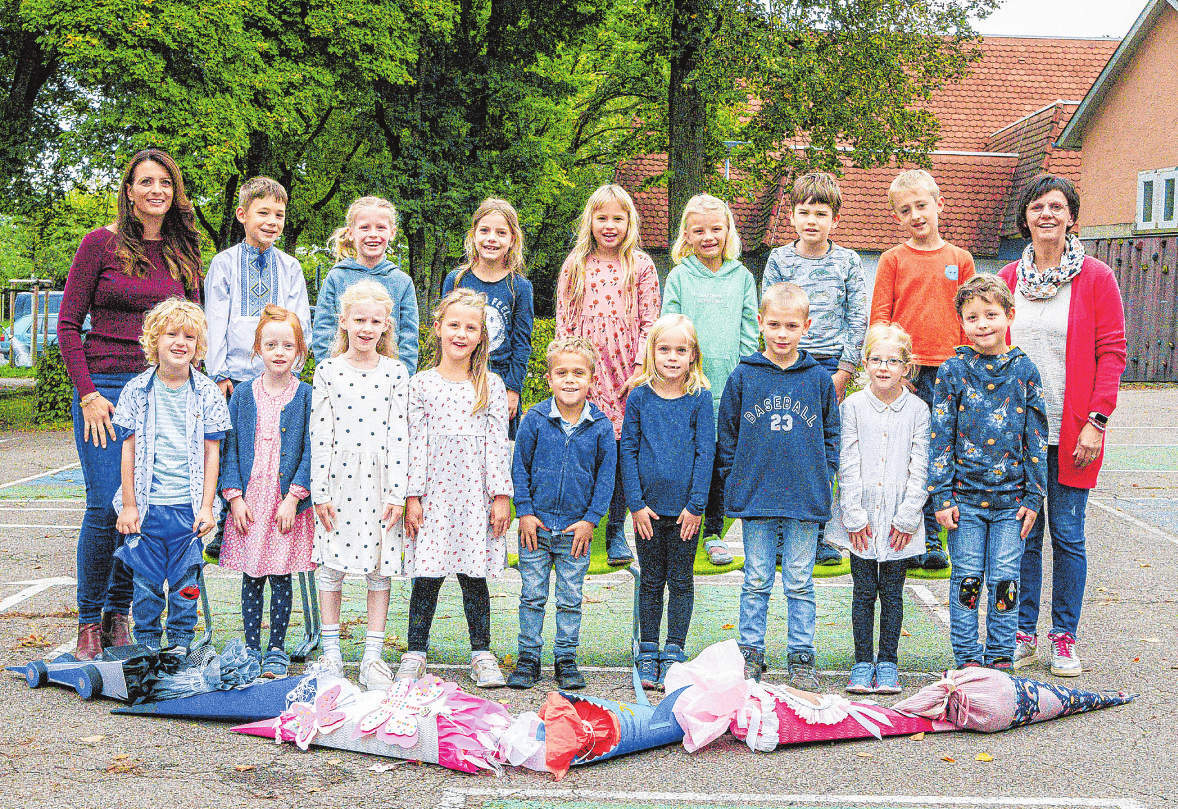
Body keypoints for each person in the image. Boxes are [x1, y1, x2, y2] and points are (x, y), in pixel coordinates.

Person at [58, 148, 204, 659]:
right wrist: (89, 393)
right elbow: (67, 325)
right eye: (146, 181)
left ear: (174, 191)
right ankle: (88, 621)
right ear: (129, 189)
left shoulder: (184, 252)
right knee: (106, 502)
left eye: (165, 182)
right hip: (104, 387)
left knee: (140, 506)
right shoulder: (99, 245)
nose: (155, 190)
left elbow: (193, 324)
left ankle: (120, 614)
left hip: (161, 392)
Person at [998, 174, 1127, 677]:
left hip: (1074, 430)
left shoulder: (1095, 277)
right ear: (1025, 216)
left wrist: (1097, 421)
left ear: (1072, 216)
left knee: (1067, 533)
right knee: (1024, 535)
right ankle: (1023, 631)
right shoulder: (1008, 278)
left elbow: (1112, 354)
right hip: (1016, 435)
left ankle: (1064, 637)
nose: (1046, 214)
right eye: (1037, 206)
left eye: (1056, 206)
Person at [716, 283, 839, 688]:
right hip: (757, 497)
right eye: (774, 325)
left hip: (803, 496)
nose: (781, 333)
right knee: (756, 578)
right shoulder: (743, 376)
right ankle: (750, 652)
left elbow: (830, 435)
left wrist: (825, 473)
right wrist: (735, 476)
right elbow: (728, 433)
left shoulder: (818, 379)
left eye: (790, 325)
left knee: (800, 580)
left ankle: (801, 656)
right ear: (760, 324)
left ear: (806, 326)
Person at [928, 274, 1048, 670]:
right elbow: (941, 436)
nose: (983, 324)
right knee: (967, 580)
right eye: (972, 316)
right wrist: (941, 496)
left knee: (1004, 579)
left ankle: (999, 658)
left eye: (991, 314)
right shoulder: (952, 371)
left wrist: (1035, 496)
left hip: (1012, 504)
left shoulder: (1025, 370)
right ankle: (967, 660)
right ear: (961, 321)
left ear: (1009, 315)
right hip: (964, 501)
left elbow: (1036, 437)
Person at [399, 289, 514, 688]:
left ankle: (481, 653)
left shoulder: (491, 386)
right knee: (426, 577)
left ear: (482, 335)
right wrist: (411, 496)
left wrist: (501, 495)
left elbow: (498, 443)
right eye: (454, 325)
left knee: (473, 576)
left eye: (471, 327)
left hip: (474, 497)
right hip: (433, 496)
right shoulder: (420, 385)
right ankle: (415, 652)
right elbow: (414, 443)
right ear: (438, 329)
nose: (461, 334)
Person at [869, 169, 976, 572]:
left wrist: (968, 366)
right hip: (906, 375)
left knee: (942, 454)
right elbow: (881, 319)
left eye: (921, 206)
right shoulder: (892, 260)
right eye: (905, 210)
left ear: (939, 205)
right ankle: (902, 534)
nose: (915, 215)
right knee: (905, 456)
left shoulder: (960, 259)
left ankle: (935, 539)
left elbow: (970, 317)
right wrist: (892, 368)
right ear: (896, 217)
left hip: (951, 372)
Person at [111, 299, 230, 651]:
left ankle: (180, 645)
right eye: (171, 334)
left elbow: (213, 453)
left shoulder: (207, 391)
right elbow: (129, 450)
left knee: (185, 585)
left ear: (198, 346)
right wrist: (130, 506)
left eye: (190, 337)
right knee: (146, 586)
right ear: (154, 340)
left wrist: (208, 507)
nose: (181, 342)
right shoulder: (136, 390)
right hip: (147, 510)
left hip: (189, 510)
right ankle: (147, 646)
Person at [763, 172, 867, 568]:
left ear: (835, 220)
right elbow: (769, 315)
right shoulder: (779, 259)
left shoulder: (848, 261)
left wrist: (844, 370)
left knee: (824, 453)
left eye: (820, 213)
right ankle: (776, 536)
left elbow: (857, 317)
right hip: (786, 366)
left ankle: (818, 534)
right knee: (783, 447)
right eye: (803, 212)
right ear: (791, 216)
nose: (811, 221)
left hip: (828, 368)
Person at [310, 280, 409, 691]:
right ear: (344, 321)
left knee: (378, 570)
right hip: (338, 480)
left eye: (375, 321)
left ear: (387, 325)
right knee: (331, 564)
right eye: (359, 320)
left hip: (382, 482)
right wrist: (320, 491)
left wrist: (398, 492)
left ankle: (372, 658)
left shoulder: (396, 372)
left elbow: (400, 431)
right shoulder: (327, 371)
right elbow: (320, 431)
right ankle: (331, 654)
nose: (367, 328)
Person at [556, 184, 661, 567]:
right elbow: (564, 323)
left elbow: (650, 322)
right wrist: (566, 370)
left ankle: (616, 530)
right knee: (584, 447)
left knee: (618, 454)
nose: (610, 225)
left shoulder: (642, 265)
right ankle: (574, 525)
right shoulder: (576, 264)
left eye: (618, 218)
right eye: (603, 218)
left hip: (625, 373)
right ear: (591, 221)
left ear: (629, 222)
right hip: (585, 370)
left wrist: (639, 369)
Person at [507, 337, 616, 691]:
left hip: (575, 531)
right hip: (534, 529)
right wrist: (523, 512)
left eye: (578, 373)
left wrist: (591, 520)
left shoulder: (600, 426)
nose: (570, 380)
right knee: (532, 595)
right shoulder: (534, 419)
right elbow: (519, 468)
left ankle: (565, 658)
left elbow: (606, 479)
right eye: (562, 373)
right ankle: (528, 658)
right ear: (550, 378)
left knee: (570, 598)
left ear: (591, 379)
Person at [826, 324, 929, 695]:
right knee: (863, 591)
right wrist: (853, 515)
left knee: (892, 592)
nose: (883, 367)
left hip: (899, 518)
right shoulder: (851, 406)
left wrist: (908, 515)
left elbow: (921, 465)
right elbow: (846, 461)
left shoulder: (918, 410)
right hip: (863, 517)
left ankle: (887, 663)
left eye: (893, 361)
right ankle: (861, 662)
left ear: (907, 367)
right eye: (876, 359)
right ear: (865, 363)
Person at [218, 306, 315, 678]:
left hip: (284, 502)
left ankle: (276, 647)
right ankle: (250, 646)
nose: (279, 352)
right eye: (270, 344)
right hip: (250, 500)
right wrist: (234, 497)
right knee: (252, 575)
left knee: (280, 575)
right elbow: (230, 450)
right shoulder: (242, 394)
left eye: (287, 345)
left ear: (299, 352)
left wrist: (294, 496)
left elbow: (310, 447)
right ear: (258, 348)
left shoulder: (306, 394)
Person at [661, 194, 757, 566]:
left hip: (729, 386)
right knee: (688, 457)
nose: (708, 237)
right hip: (687, 386)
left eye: (716, 229)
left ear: (728, 231)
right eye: (699, 230)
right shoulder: (681, 276)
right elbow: (669, 325)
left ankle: (714, 532)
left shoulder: (742, 276)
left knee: (720, 461)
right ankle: (680, 527)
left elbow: (750, 330)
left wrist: (744, 373)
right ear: (686, 234)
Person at [621, 315, 714, 689]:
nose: (672, 357)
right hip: (648, 512)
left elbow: (705, 453)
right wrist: (635, 503)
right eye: (664, 349)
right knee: (651, 580)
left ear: (693, 355)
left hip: (685, 515)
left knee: (681, 580)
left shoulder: (700, 398)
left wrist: (695, 505)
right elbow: (628, 450)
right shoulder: (640, 396)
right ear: (652, 352)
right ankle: (647, 651)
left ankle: (673, 650)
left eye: (680, 350)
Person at [203, 177, 311, 397]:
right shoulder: (224, 263)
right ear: (242, 215)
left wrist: (295, 369)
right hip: (234, 378)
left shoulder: (290, 267)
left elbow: (300, 321)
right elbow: (214, 321)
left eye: (279, 215)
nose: (272, 221)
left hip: (280, 375)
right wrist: (218, 374)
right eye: (263, 213)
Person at [442, 198, 535, 438]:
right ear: (473, 234)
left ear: (512, 239)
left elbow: (522, 343)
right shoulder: (456, 280)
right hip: (460, 376)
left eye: (500, 232)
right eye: (484, 230)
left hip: (500, 381)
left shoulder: (519, 287)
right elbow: (444, 333)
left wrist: (513, 389)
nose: (491, 238)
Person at [310, 196, 419, 373]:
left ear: (392, 232)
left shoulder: (402, 282)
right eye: (365, 227)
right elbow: (323, 334)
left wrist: (402, 380)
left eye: (381, 227)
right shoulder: (336, 277)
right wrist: (330, 375)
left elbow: (409, 340)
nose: (373, 234)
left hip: (387, 383)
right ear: (351, 232)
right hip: (341, 380)